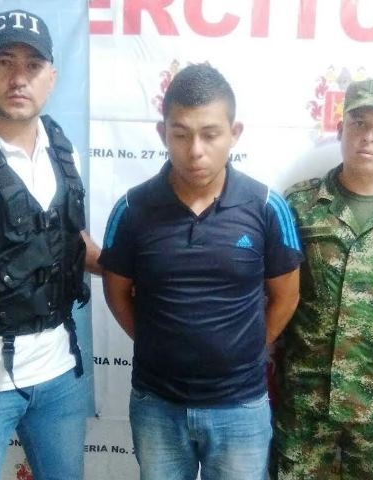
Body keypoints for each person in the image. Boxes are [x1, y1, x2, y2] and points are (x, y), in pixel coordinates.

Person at [98, 63, 303, 480]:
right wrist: (158, 342)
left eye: (210, 134)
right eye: (181, 134)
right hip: (157, 405)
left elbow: (287, 296)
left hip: (240, 407)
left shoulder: (266, 207)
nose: (195, 150)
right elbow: (116, 293)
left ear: (234, 133)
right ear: (162, 133)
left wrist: (245, 350)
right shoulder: (132, 209)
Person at [0, 9, 100, 480]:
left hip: (58, 375)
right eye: (4, 61)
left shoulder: (63, 149)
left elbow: (69, 242)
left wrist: (142, 270)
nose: (19, 78)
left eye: (33, 65)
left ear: (52, 77)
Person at [271, 78, 373, 480]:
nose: (368, 136)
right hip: (304, 410)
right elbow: (270, 295)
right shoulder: (299, 204)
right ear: (340, 128)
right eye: (359, 123)